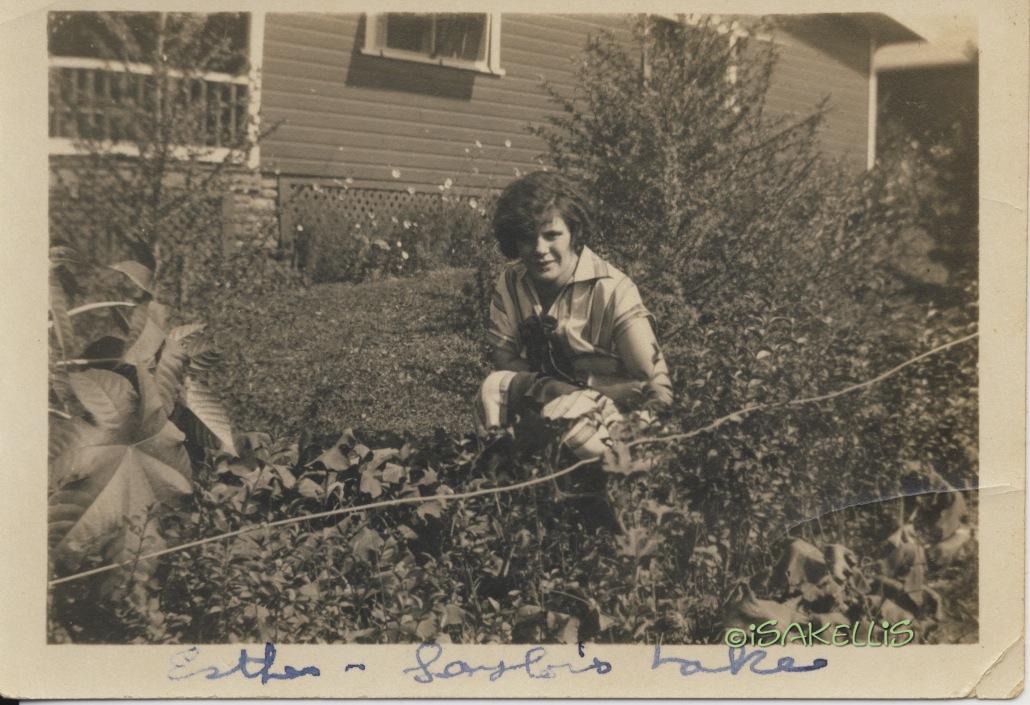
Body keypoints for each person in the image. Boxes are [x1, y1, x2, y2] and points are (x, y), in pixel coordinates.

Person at [476, 171, 673, 460]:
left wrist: (588, 395)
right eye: (528, 238)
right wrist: (555, 389)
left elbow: (651, 385)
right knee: (492, 388)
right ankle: (503, 483)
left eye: (552, 235)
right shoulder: (512, 282)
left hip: (615, 413)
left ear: (574, 233)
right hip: (551, 396)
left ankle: (609, 485)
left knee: (573, 421)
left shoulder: (611, 289)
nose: (540, 249)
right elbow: (504, 360)